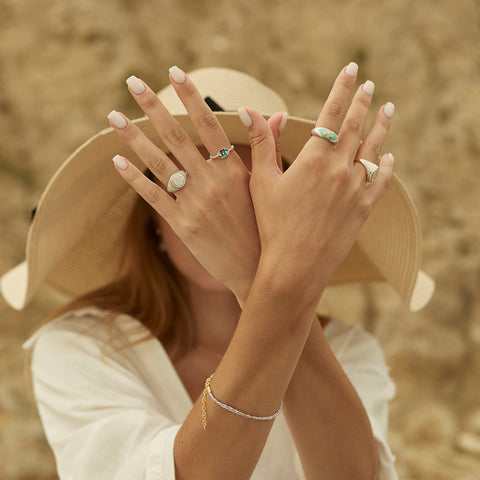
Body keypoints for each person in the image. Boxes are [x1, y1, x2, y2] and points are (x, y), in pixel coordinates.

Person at [1, 64, 434, 479]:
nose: (232, 217)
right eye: (199, 190)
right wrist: (263, 278)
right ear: (154, 210)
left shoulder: (349, 350)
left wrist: (263, 280)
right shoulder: (85, 347)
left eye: (254, 189)